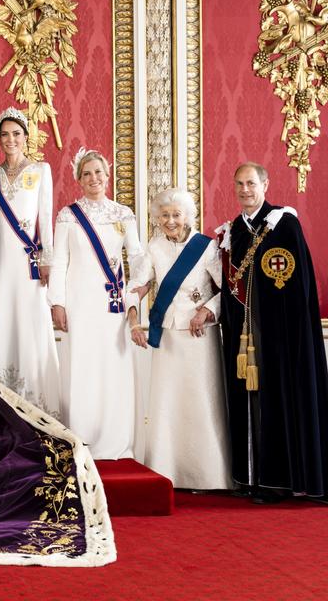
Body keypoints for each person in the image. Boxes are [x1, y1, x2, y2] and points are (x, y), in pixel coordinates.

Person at [218, 162, 328, 501]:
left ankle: (280, 482)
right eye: (239, 184)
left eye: (251, 183)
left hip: (281, 335)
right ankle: (250, 478)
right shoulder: (233, 230)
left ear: (265, 184)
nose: (245, 190)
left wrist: (281, 327)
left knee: (278, 400)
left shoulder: (284, 224)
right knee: (247, 401)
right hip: (243, 336)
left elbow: (299, 284)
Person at [126, 188, 232, 490]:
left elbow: (229, 290)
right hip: (169, 336)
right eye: (164, 216)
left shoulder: (207, 247)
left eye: (176, 214)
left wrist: (209, 311)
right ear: (157, 219)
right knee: (168, 404)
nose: (170, 220)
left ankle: (209, 476)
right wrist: (134, 320)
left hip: (200, 336)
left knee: (201, 400)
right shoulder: (154, 246)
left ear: (188, 215)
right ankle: (169, 472)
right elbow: (138, 284)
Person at [48, 149, 142, 460]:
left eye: (98, 172)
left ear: (108, 175)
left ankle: (114, 436)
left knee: (111, 366)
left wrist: (136, 291)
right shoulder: (68, 215)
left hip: (112, 305)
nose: (94, 179)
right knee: (83, 366)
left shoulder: (123, 214)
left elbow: (138, 257)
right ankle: (82, 434)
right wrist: (57, 303)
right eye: (87, 174)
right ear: (78, 179)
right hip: (79, 302)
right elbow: (59, 262)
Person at [0, 107, 60, 416]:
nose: (10, 139)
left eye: (16, 134)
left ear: (26, 138)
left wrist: (47, 259)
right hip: (2, 261)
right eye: (5, 134)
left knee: (31, 324)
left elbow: (47, 220)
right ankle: (6, 396)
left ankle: (37, 400)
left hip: (30, 264)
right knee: (4, 321)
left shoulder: (40, 171)